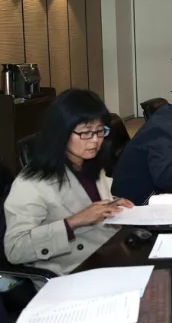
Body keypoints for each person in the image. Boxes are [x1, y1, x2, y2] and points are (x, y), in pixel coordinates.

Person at [4, 89, 132, 275]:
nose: (95, 141)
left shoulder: (90, 163)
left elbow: (88, 200)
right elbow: (15, 249)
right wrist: (73, 222)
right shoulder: (32, 183)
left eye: (100, 131)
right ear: (61, 132)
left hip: (106, 251)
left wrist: (112, 203)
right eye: (86, 133)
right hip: (71, 269)